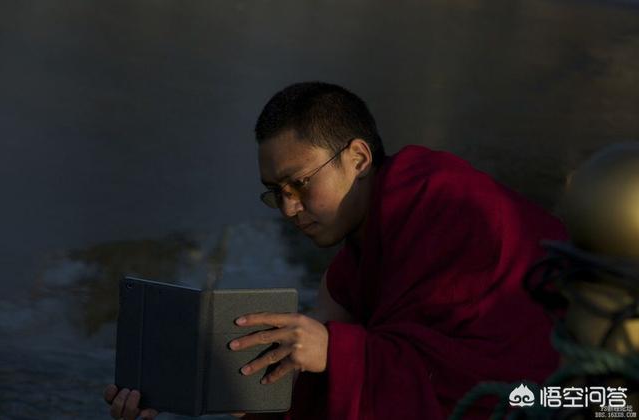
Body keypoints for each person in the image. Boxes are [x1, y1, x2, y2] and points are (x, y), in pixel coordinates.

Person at [104, 82, 567, 419]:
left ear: (358, 159)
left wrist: (335, 352)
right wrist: (199, 394)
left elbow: (485, 383)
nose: (289, 208)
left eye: (300, 184)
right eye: (276, 192)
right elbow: (302, 385)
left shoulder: (449, 204)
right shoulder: (347, 274)